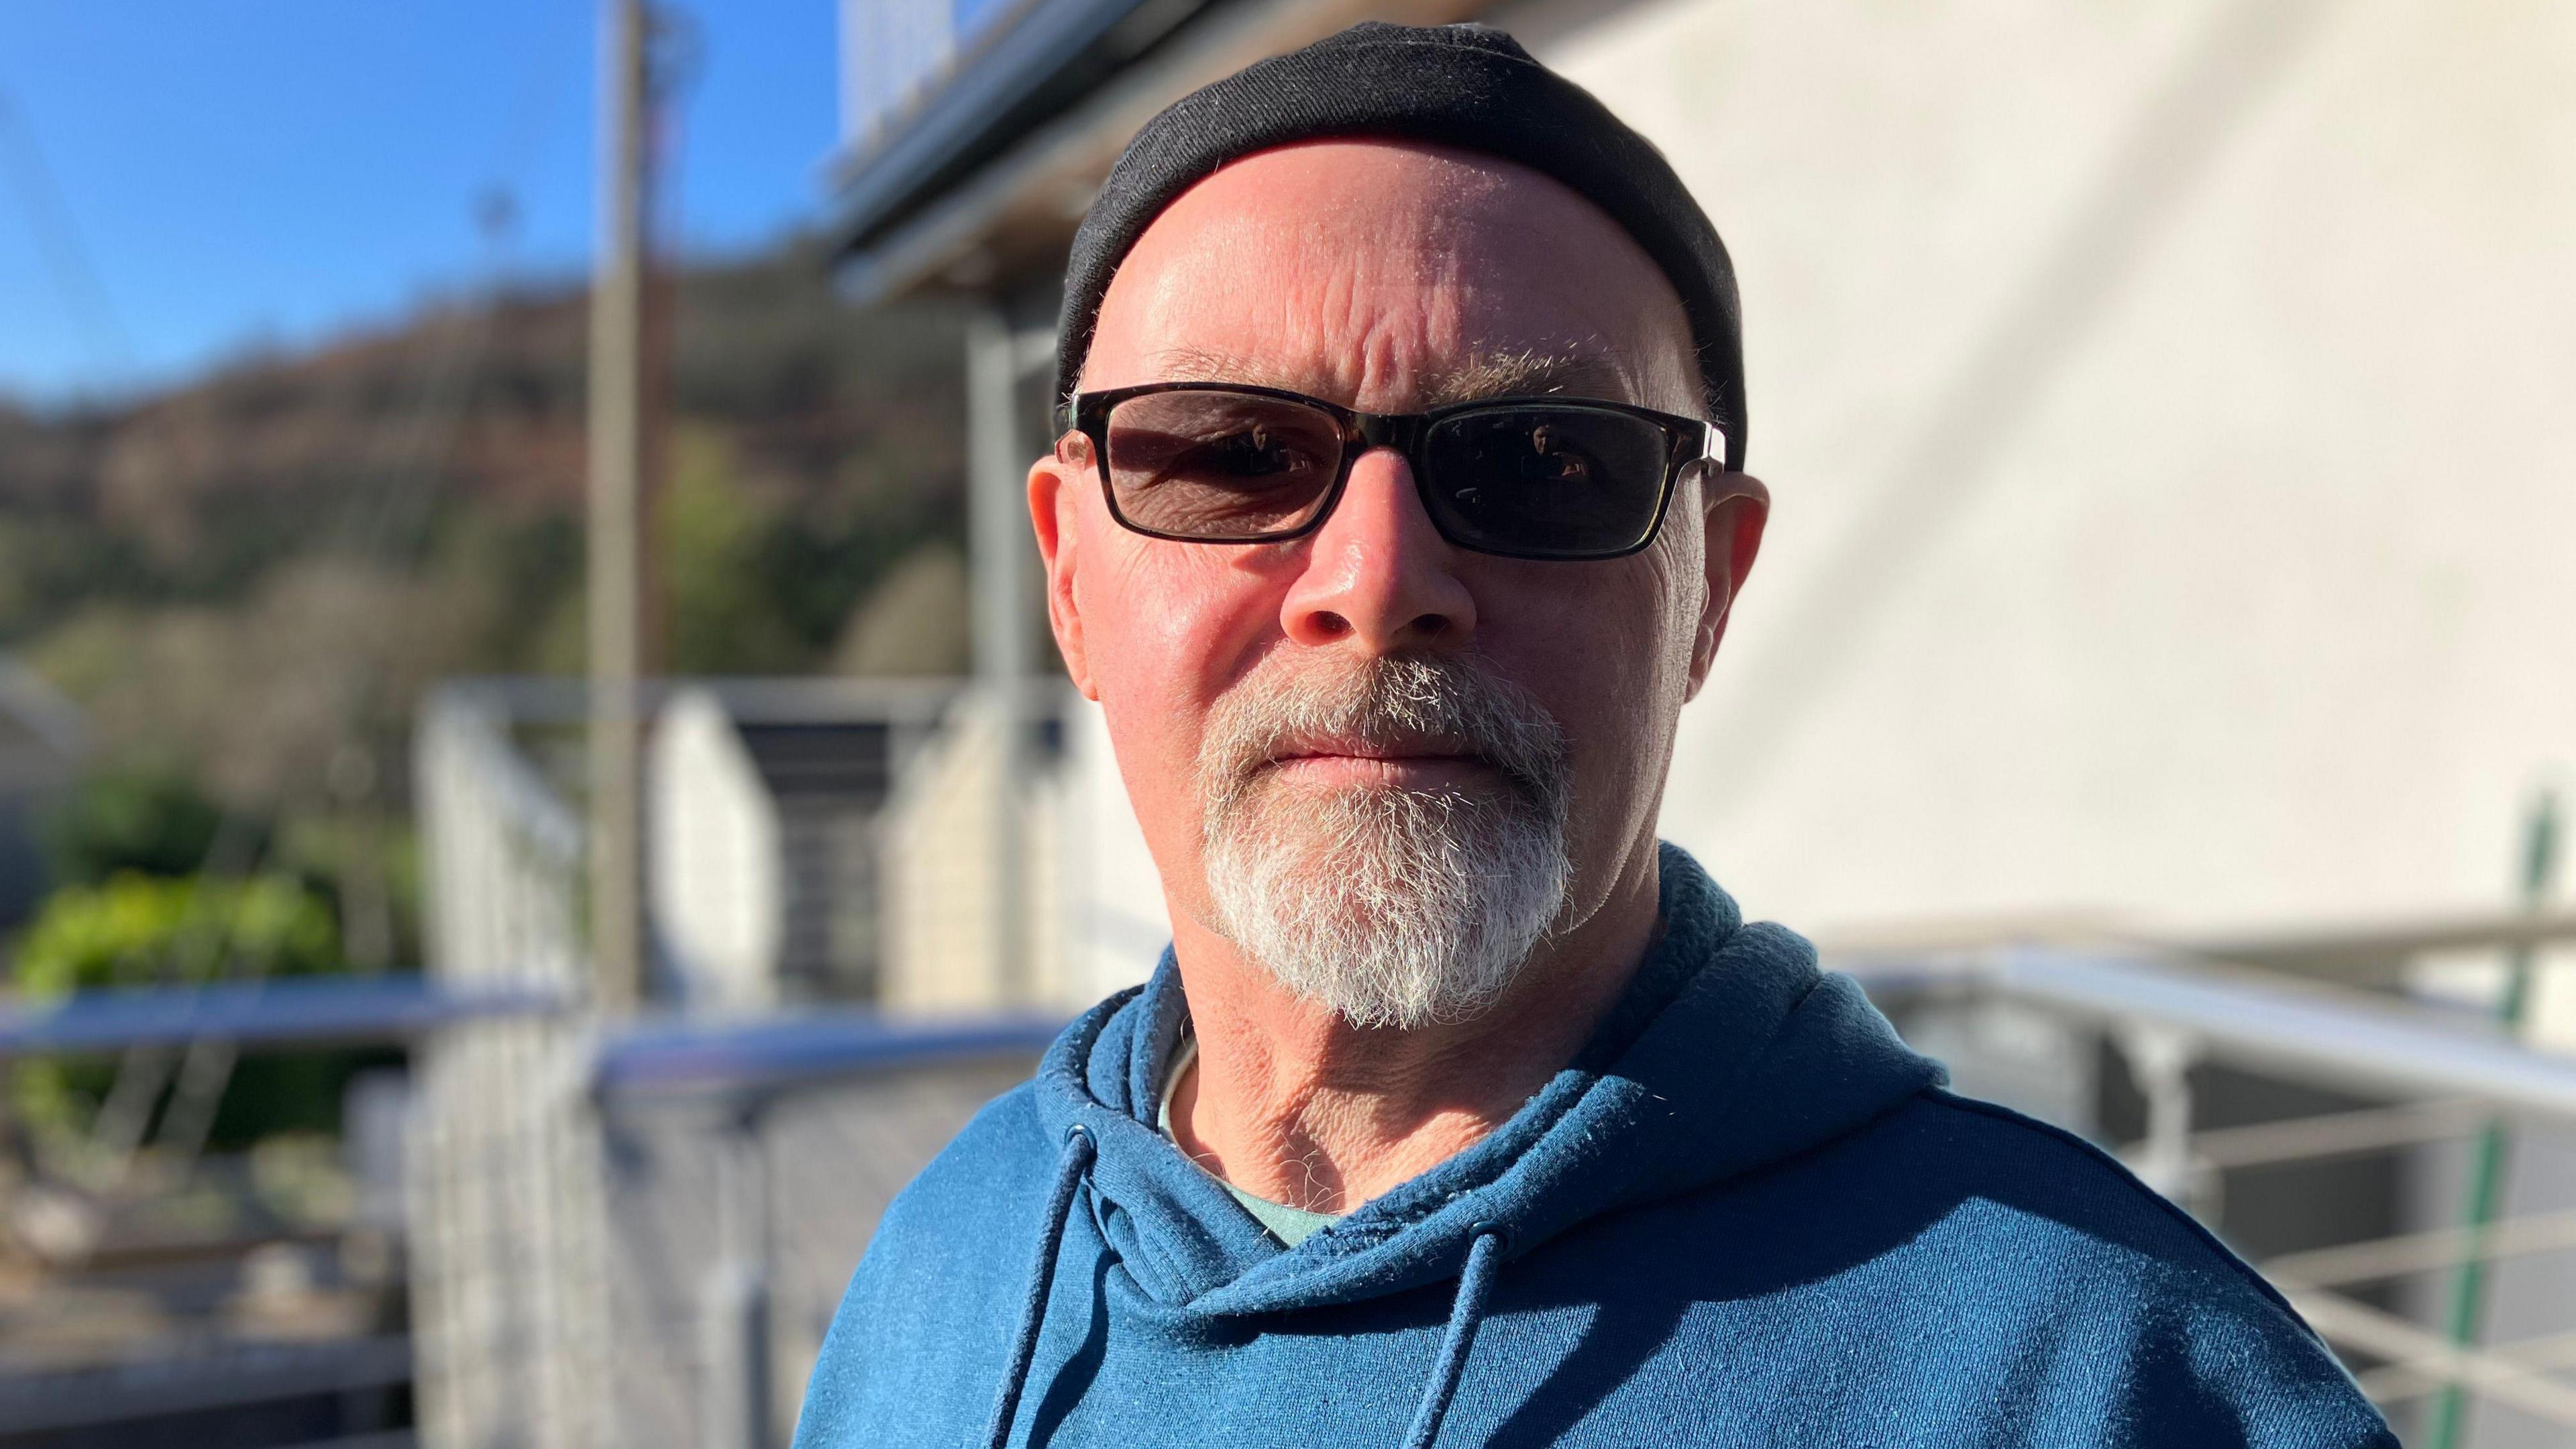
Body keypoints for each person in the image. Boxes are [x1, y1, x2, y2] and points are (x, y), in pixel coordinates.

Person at [794, 22, 2394, 1448]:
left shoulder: (2113, 1382)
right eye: (1232, 453)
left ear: (1711, 590)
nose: (1379, 582)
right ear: (1070, 579)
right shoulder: (948, 1263)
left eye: (1546, 463)